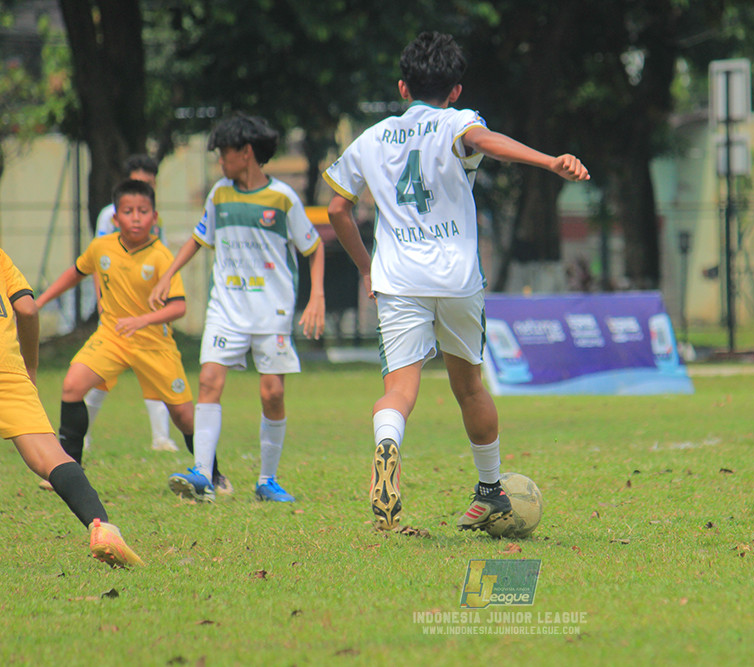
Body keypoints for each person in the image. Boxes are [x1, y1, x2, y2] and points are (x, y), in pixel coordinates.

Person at [324, 32, 589, 531]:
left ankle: (388, 444)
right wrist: (548, 161)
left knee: (399, 390)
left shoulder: (374, 138)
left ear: (403, 88)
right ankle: (491, 490)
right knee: (468, 387)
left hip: (399, 279)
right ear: (457, 90)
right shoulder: (457, 122)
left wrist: (365, 266)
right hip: (457, 277)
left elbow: (338, 207)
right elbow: (484, 141)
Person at [152, 113, 325, 504]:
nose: (220, 161)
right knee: (210, 382)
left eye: (223, 153)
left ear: (245, 153)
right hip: (226, 308)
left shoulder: (282, 198)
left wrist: (317, 297)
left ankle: (267, 480)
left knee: (272, 394)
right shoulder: (219, 194)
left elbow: (313, 249)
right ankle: (202, 474)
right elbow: (198, 240)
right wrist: (167, 276)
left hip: (272, 312)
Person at [35, 180, 215, 487]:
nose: (135, 217)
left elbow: (178, 307)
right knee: (72, 386)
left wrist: (142, 320)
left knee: (184, 417)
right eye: (128, 211)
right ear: (115, 218)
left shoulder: (160, 256)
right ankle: (68, 470)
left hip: (154, 345)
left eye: (142, 211)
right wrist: (39, 302)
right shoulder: (101, 247)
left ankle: (214, 475)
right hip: (112, 338)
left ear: (154, 217)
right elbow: (75, 273)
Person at [0, 246, 143, 567]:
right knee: (50, 456)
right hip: (7, 369)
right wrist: (31, 369)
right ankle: (102, 528)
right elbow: (27, 309)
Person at [88, 154, 175, 454]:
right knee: (102, 374)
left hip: (147, 311)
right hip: (117, 310)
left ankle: (160, 437)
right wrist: (102, 303)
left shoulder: (155, 217)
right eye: (140, 182)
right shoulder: (108, 216)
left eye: (150, 184)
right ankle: (81, 434)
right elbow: (100, 261)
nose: (146, 188)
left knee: (154, 370)